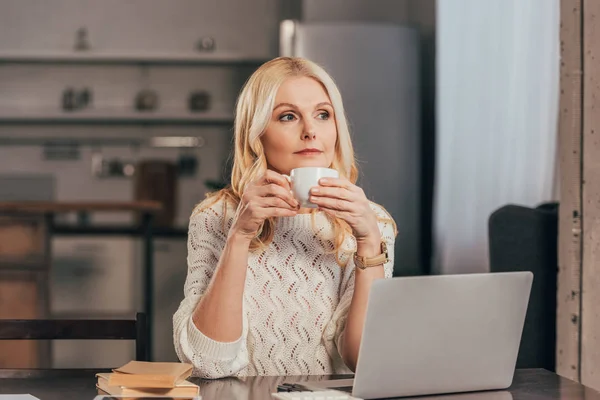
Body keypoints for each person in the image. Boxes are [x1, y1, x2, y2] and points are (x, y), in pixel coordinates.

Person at [173, 56, 397, 379]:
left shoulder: (373, 223)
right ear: (257, 133)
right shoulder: (215, 218)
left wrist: (368, 242)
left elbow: (367, 363)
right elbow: (208, 363)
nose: (310, 132)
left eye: (323, 114)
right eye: (288, 116)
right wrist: (239, 236)